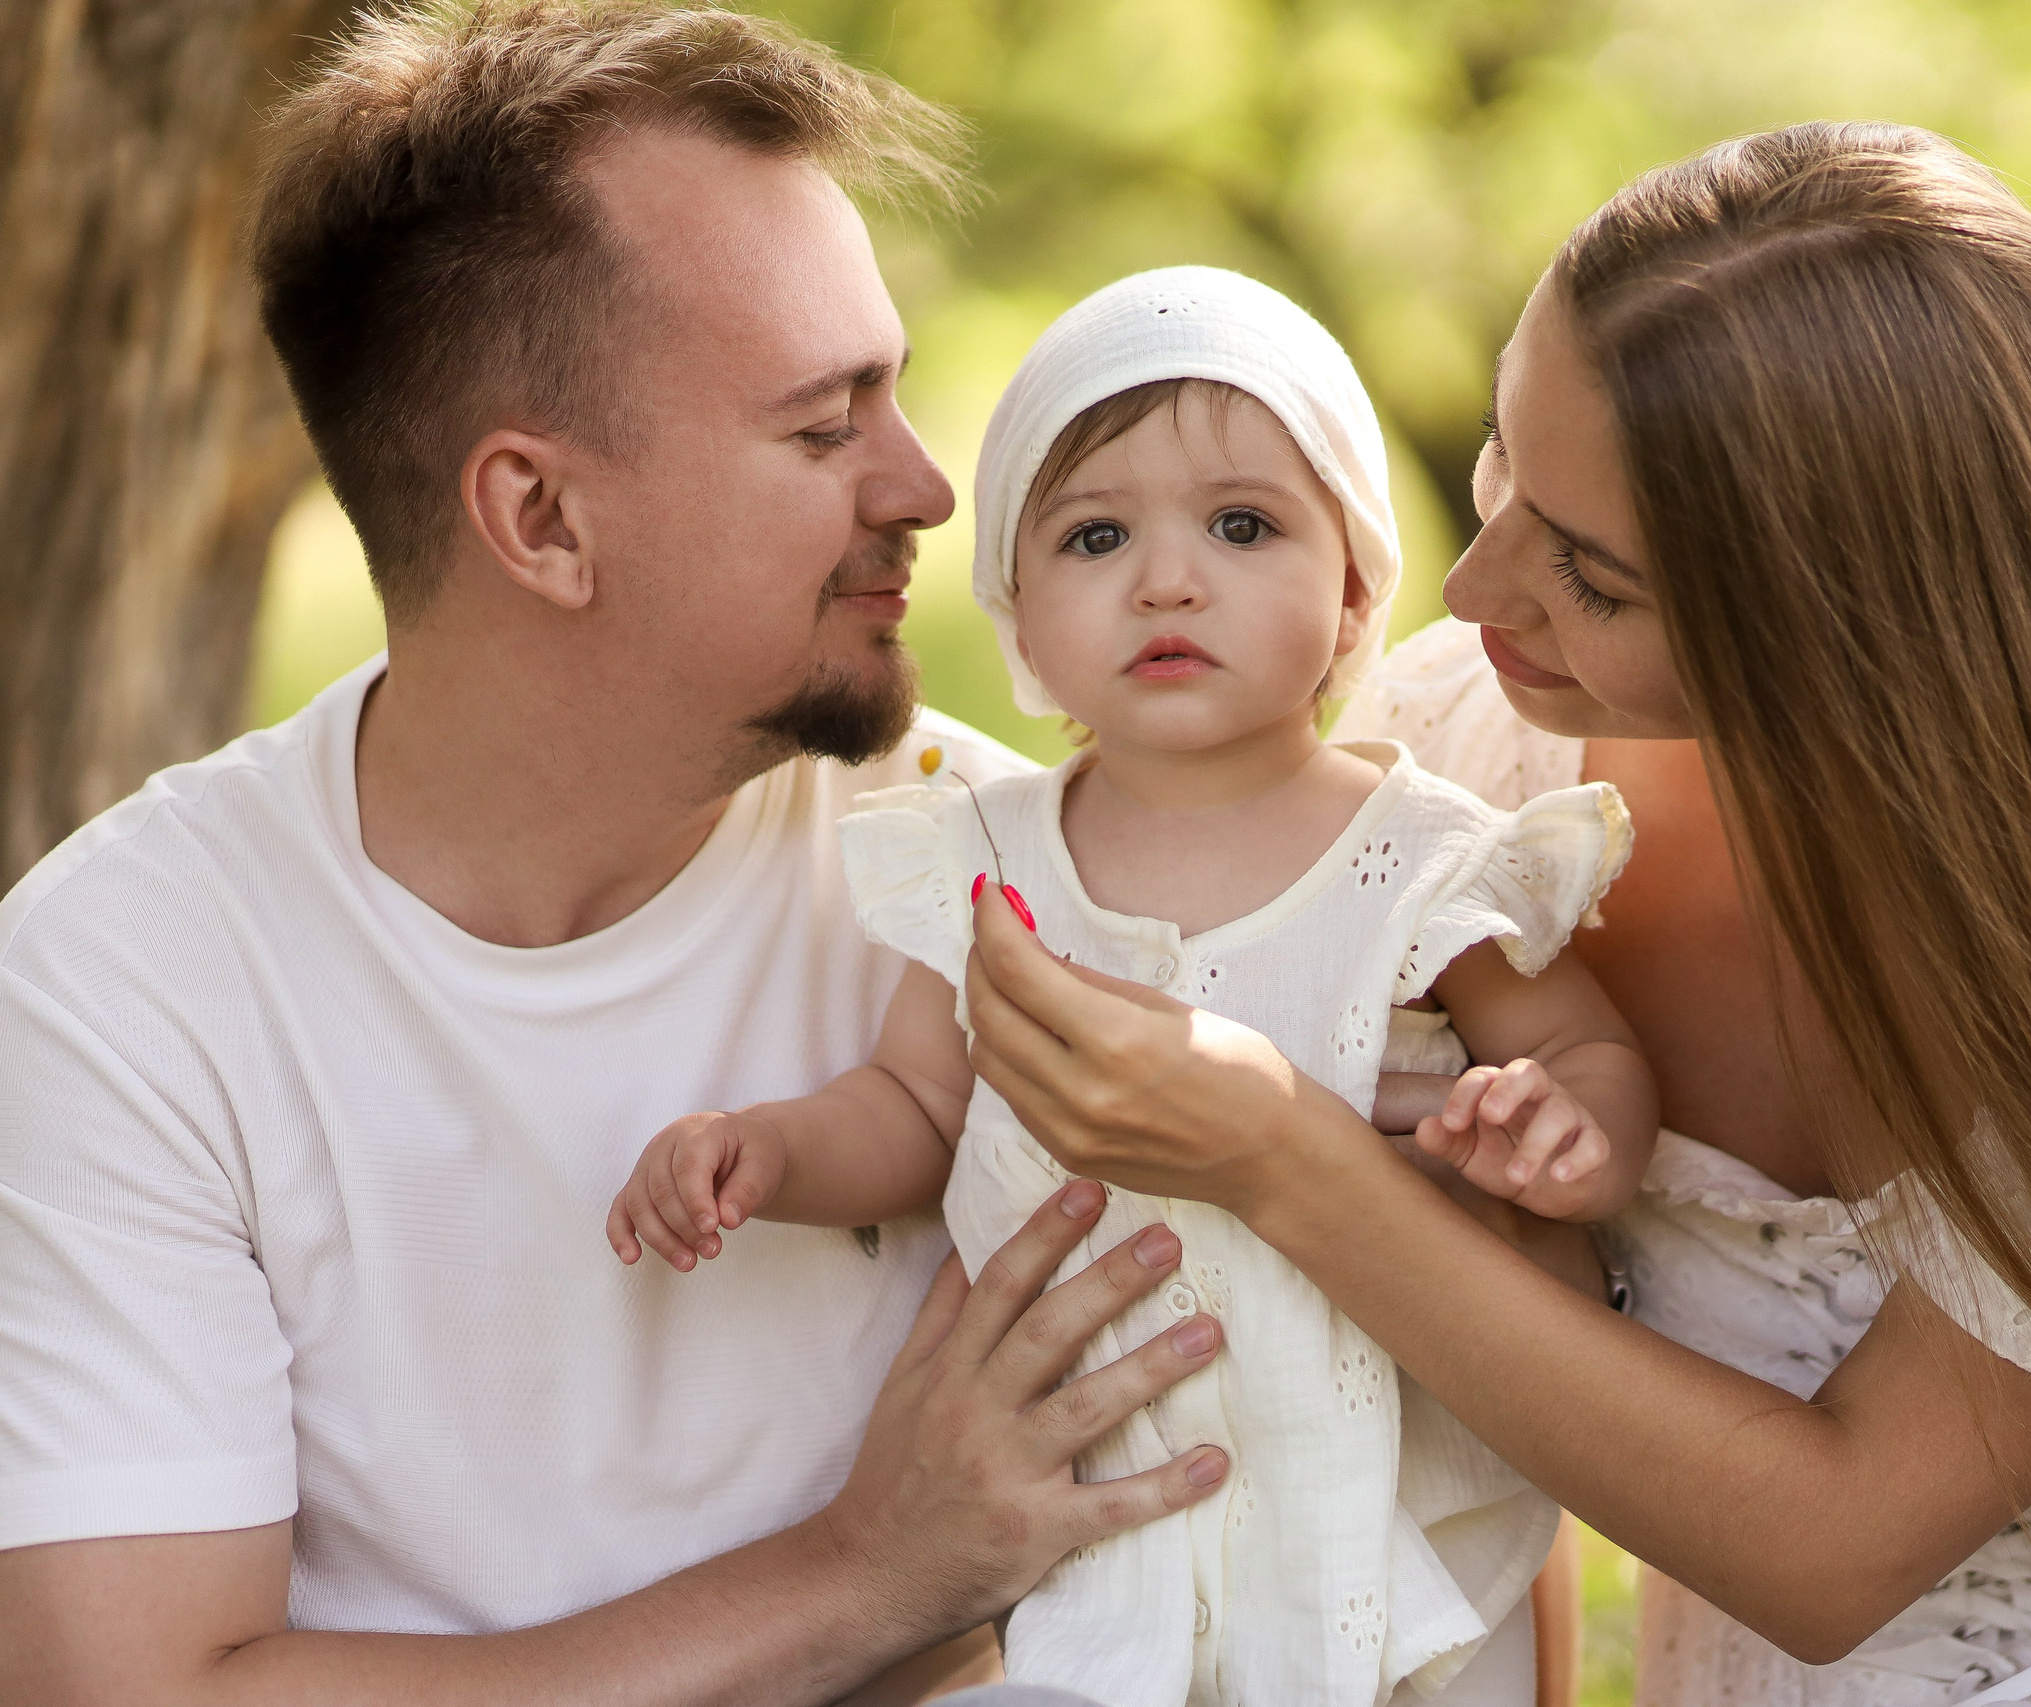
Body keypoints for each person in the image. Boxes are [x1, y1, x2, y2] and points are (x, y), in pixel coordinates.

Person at [959, 123, 2031, 1706]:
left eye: (1592, 574)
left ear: (1849, 632)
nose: (1473, 587)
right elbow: (1450, 1370)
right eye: (1505, 460)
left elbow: (1835, 1551)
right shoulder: (1460, 767)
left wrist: (1285, 1156)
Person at [0, 7, 1230, 1703]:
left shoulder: (1019, 882)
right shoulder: (127, 981)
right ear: (541, 521)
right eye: (824, 427)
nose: (929, 487)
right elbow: (138, 1693)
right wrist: (868, 1574)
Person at [605, 265, 1657, 1707]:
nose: (1169, 579)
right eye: (1096, 536)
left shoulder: (1421, 860)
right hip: (1105, 1535)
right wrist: (769, 1151)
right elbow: (917, 1107)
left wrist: (1560, 1132)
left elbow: (1590, 1060)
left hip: (1384, 1508)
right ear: (1023, 627)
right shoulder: (992, 864)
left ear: (1352, 594)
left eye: (1241, 526)